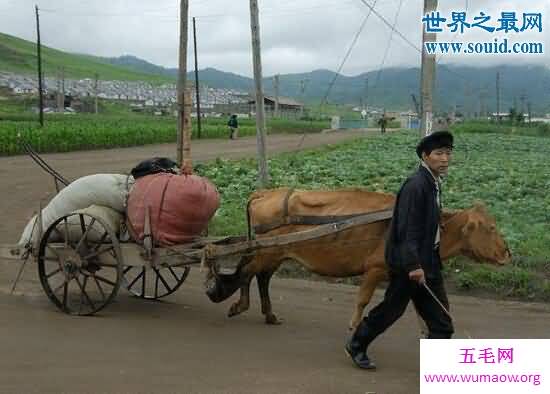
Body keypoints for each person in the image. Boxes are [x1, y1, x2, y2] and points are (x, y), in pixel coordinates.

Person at [345, 130, 455, 370]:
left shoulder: (433, 183)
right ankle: (357, 343)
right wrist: (414, 266)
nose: (445, 158)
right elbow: (407, 230)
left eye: (448, 153)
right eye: (439, 153)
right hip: (411, 266)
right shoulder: (416, 186)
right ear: (425, 156)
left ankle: (439, 372)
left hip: (428, 262)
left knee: (442, 322)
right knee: (391, 311)